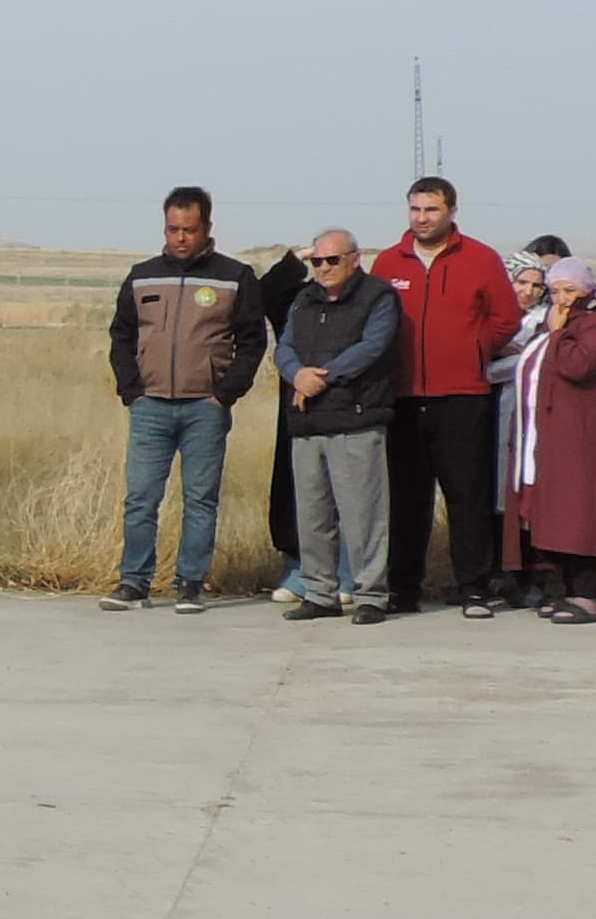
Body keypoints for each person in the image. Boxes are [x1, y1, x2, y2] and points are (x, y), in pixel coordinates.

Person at [103, 188, 260, 612]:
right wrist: (131, 391)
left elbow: (252, 341)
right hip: (150, 406)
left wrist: (223, 395)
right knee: (140, 498)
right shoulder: (142, 275)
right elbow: (121, 335)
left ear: (206, 228)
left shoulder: (234, 276)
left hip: (203, 409)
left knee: (200, 498)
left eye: (189, 230)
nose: (180, 238)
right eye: (173, 229)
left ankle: (190, 582)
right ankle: (134, 582)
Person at [373, 176, 521, 616]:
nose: (422, 218)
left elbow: (506, 318)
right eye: (416, 210)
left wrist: (474, 349)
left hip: (463, 396)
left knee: (467, 496)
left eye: (431, 210)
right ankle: (403, 587)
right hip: (403, 397)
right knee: (407, 497)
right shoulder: (388, 263)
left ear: (452, 211)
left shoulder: (480, 258)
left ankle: (473, 587)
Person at [265, 228, 402, 624]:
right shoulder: (305, 299)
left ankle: (371, 595)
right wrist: (297, 375)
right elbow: (285, 346)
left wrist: (323, 377)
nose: (323, 268)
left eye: (332, 260)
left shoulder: (378, 297)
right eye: (317, 261)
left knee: (363, 515)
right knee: (312, 515)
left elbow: (372, 347)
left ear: (355, 259)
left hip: (356, 419)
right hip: (308, 421)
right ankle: (320, 592)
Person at [499, 256, 596, 620]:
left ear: (587, 290)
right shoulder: (553, 324)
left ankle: (586, 595)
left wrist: (557, 334)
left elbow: (578, 365)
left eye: (570, 290)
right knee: (553, 511)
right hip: (543, 438)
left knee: (580, 509)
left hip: (580, 437)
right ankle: (565, 593)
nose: (562, 298)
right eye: (554, 290)